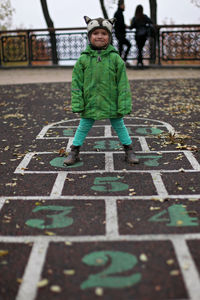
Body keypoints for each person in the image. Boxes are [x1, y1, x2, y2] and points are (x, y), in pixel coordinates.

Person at [64, 16, 139, 166]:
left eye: (104, 33)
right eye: (95, 33)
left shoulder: (115, 59)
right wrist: (78, 102)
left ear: (109, 37)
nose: (99, 36)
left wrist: (123, 104)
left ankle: (129, 150)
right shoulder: (83, 60)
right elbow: (76, 83)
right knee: (83, 126)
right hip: (90, 102)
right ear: (89, 36)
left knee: (119, 125)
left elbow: (123, 83)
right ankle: (74, 151)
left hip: (111, 102)